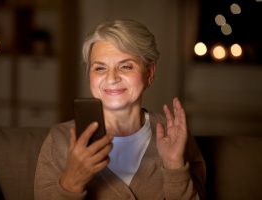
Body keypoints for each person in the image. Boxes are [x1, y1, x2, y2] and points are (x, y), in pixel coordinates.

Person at [34, 19, 206, 200]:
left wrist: (174, 169)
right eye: (100, 68)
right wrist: (71, 181)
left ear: (150, 73)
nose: (112, 78)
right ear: (89, 76)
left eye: (125, 66)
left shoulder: (176, 136)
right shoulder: (59, 139)